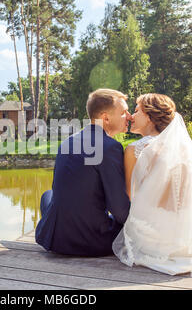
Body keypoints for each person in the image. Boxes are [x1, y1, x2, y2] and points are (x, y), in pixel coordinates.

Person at [112, 93, 192, 275]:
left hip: (155, 240)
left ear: (150, 116)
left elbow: (129, 195)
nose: (132, 116)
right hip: (189, 236)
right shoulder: (180, 148)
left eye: (136, 111)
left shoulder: (134, 150)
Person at [35, 89, 132, 257]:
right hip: (92, 242)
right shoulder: (110, 148)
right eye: (124, 113)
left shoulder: (67, 142)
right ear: (105, 117)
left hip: (54, 240)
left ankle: (55, 226)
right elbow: (120, 211)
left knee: (48, 195)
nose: (129, 116)